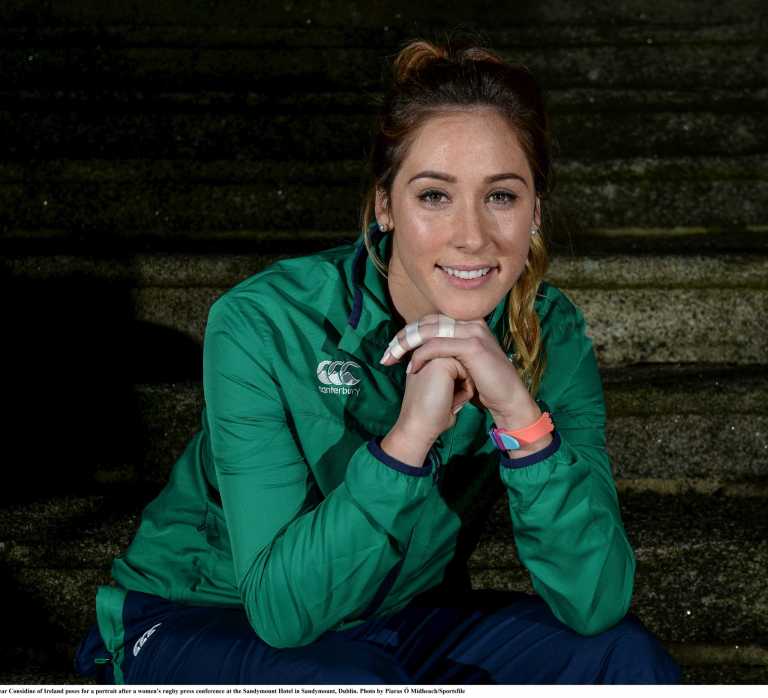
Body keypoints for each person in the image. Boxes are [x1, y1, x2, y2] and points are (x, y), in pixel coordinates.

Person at [74, 38, 681, 685]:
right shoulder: (264, 322)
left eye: (501, 196)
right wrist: (407, 442)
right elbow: (280, 613)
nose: (472, 235)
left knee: (623, 657)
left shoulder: (549, 331)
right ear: (385, 205)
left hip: (398, 619)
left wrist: (520, 418)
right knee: (356, 679)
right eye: (434, 196)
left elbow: (596, 601)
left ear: (535, 210)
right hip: (204, 616)